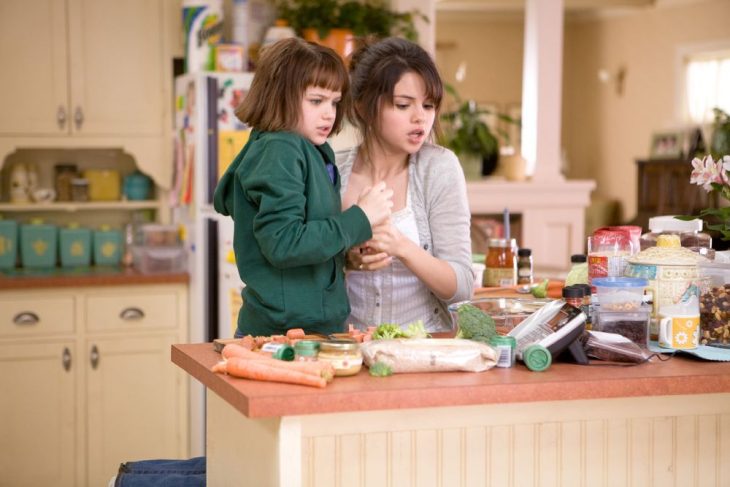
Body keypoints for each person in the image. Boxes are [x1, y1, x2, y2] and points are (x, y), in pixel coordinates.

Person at [214, 38, 393, 338]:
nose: (329, 113)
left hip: (306, 330)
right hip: (284, 335)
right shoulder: (280, 150)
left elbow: (304, 237)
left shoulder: (307, 149)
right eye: (316, 100)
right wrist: (360, 217)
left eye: (334, 102)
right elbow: (284, 244)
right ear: (281, 96)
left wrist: (346, 251)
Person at [337, 37, 474, 333]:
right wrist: (346, 260)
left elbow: (462, 287)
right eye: (403, 105)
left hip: (423, 349)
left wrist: (401, 247)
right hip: (345, 349)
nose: (420, 118)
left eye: (428, 105)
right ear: (362, 106)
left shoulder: (439, 169)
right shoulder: (331, 170)